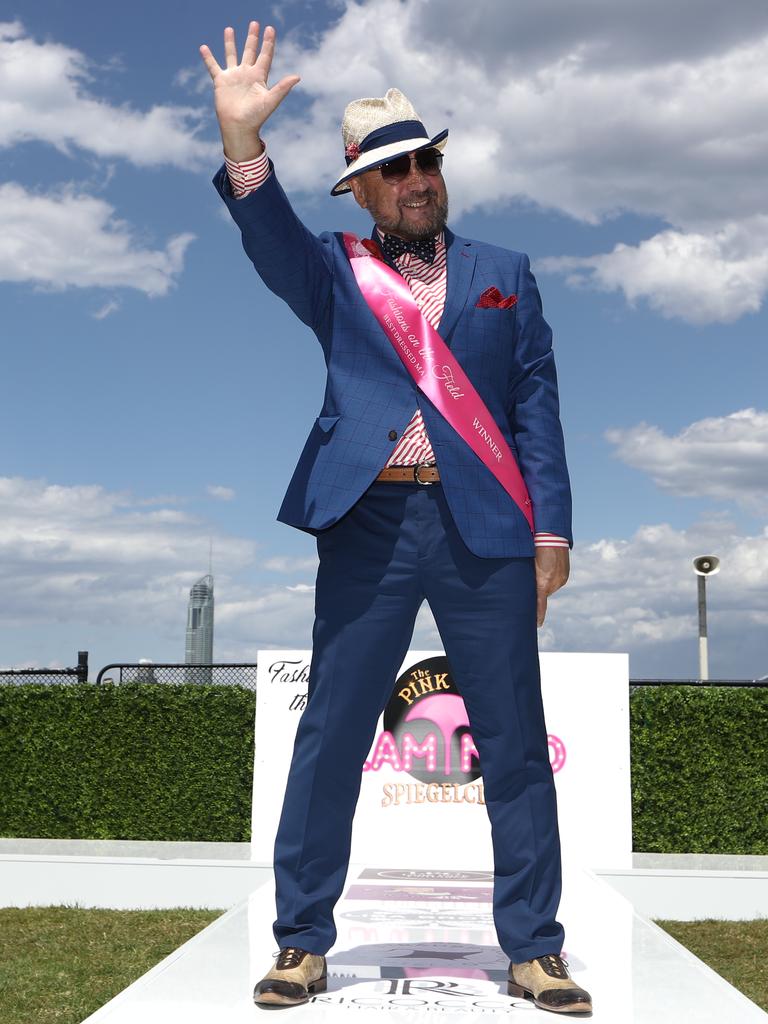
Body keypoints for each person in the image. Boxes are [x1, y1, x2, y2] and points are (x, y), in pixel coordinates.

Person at [200, 21, 591, 1017]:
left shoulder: (507, 268)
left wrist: (552, 532)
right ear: (362, 190)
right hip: (368, 523)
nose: (415, 177)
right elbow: (267, 238)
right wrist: (243, 142)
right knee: (331, 734)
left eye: (424, 159)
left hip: (487, 532)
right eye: (392, 168)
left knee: (513, 737)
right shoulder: (332, 270)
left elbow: (535, 403)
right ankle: (301, 942)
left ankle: (536, 948)